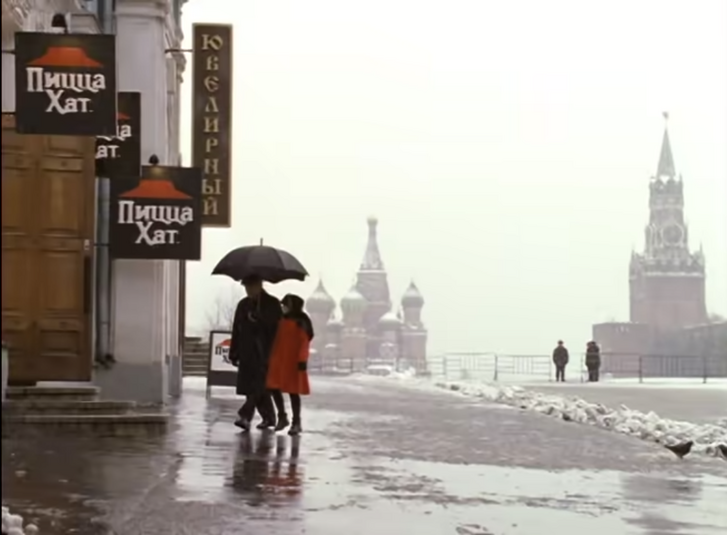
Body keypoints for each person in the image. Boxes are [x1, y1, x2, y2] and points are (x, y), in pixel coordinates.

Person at [228, 275, 282, 431]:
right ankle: (269, 417)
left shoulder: (272, 304)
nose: (248, 291)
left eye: (251, 287)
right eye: (246, 287)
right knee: (251, 387)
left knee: (259, 386)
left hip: (266, 352)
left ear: (259, 286)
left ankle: (245, 415)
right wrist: (234, 352)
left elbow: (279, 329)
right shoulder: (243, 305)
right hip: (247, 352)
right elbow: (237, 330)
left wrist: (260, 320)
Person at [266, 294, 314, 436]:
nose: (283, 308)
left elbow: (304, 341)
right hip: (279, 359)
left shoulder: (301, 321)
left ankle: (296, 422)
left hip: (293, 361)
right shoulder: (281, 319)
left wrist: (302, 359)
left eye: (285, 305)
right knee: (273, 387)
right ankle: (282, 416)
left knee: (293, 392)